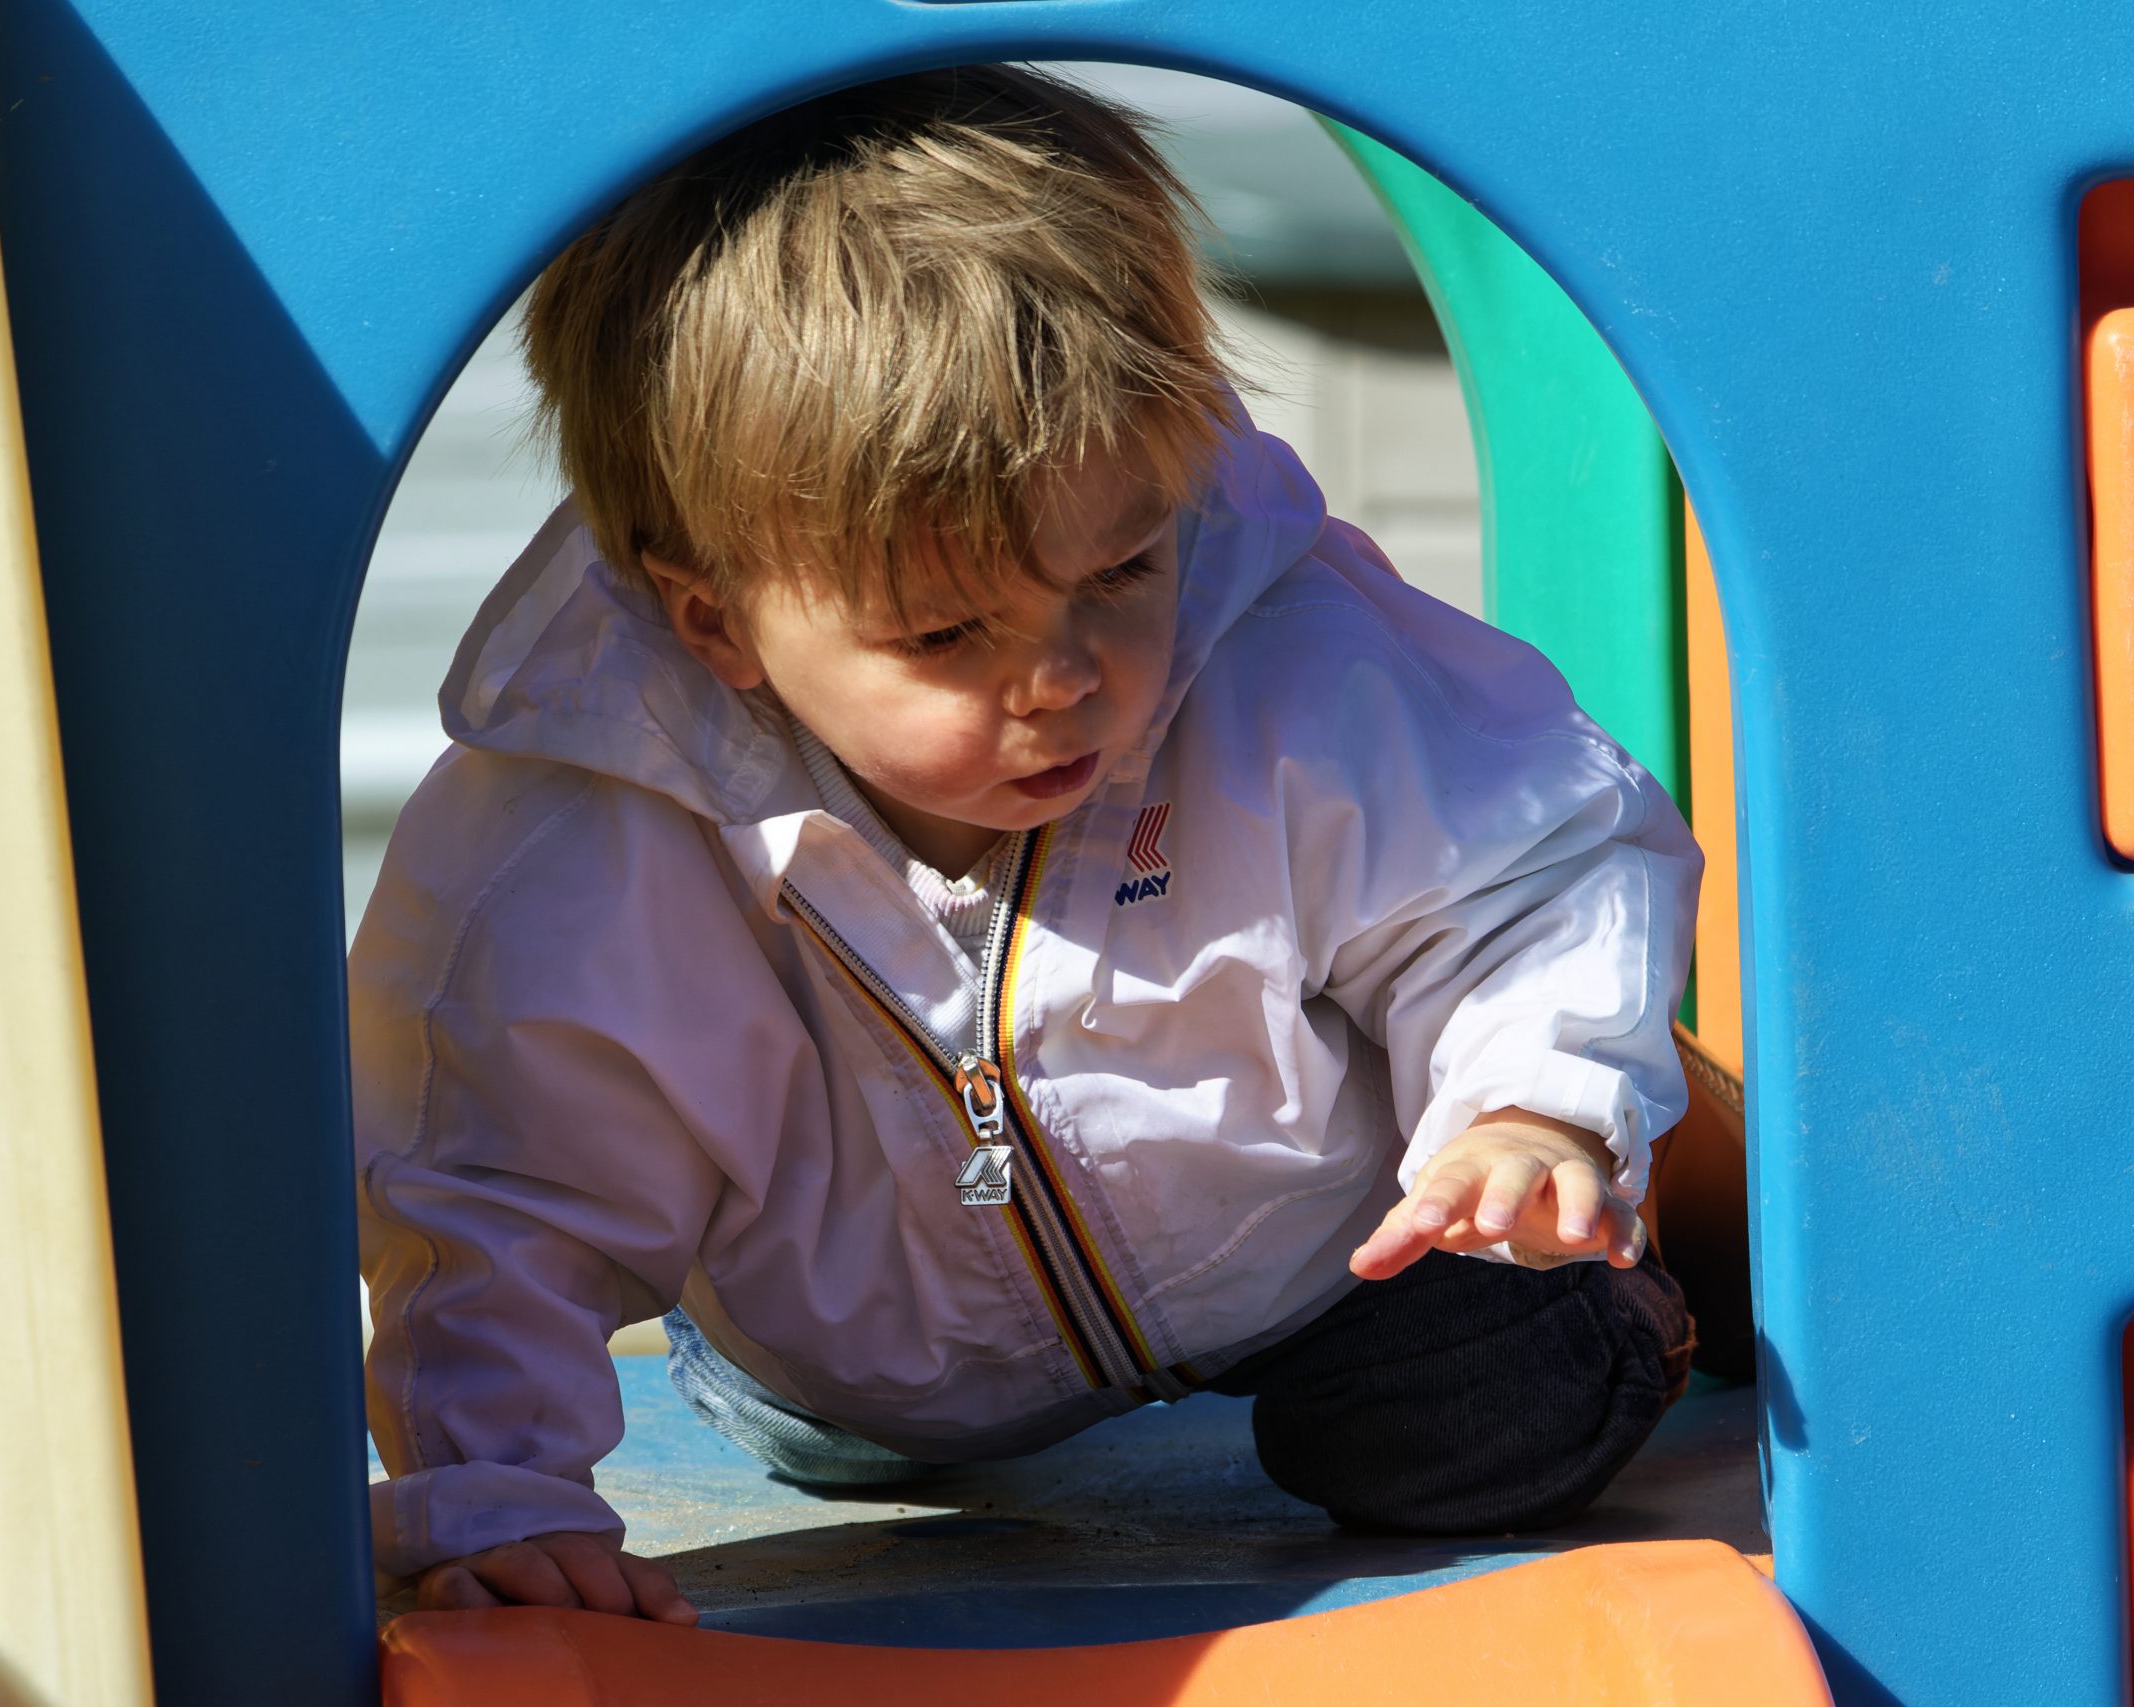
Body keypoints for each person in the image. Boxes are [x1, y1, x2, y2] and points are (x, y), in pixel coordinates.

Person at [351, 65, 1701, 1627]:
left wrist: (1529, 1110)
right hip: (856, 1372)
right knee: (815, 1445)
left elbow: (1524, 872)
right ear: (714, 621)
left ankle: (1663, 1195)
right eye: (945, 634)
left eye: (1119, 570)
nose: (1064, 677)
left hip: (1334, 1271)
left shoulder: (1298, 675)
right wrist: (501, 1497)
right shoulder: (582, 842)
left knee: (1503, 1404)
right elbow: (493, 1190)